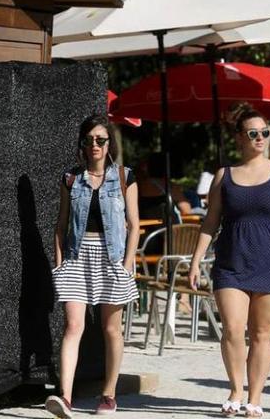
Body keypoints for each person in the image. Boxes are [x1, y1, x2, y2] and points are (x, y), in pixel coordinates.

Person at [188, 104, 270, 418]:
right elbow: (210, 221)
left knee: (261, 333)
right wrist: (196, 259)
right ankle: (235, 390)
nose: (259, 138)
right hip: (231, 262)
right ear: (239, 138)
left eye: (264, 132)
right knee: (232, 329)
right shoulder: (223, 176)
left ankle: (255, 397)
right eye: (252, 133)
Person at [46, 115, 140, 418]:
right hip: (77, 254)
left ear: (109, 143)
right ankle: (66, 397)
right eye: (89, 140)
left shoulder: (125, 177)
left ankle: (109, 395)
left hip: (112, 256)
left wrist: (127, 264)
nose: (95, 145)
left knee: (110, 328)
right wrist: (59, 263)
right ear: (82, 144)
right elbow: (60, 225)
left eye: (101, 139)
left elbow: (134, 225)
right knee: (73, 326)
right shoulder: (71, 178)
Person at [136, 152, 192, 221]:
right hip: (171, 228)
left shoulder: (139, 186)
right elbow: (186, 210)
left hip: (149, 229)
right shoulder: (170, 187)